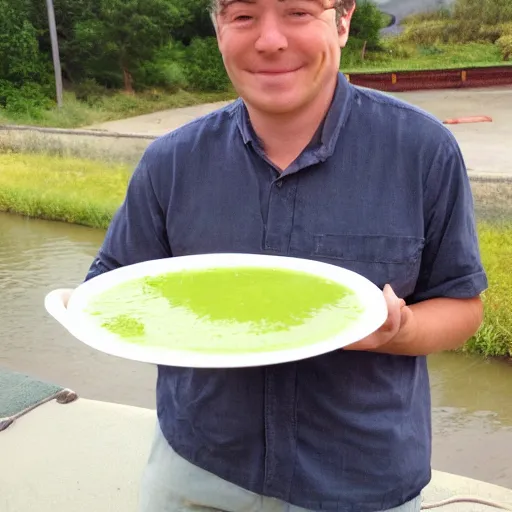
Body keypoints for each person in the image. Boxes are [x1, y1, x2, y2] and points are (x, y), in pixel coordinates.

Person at [83, 0, 488, 510]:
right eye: (243, 15)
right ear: (218, 29)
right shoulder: (170, 161)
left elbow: (461, 307)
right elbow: (109, 286)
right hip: (195, 467)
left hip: (357, 480)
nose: (270, 40)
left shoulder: (423, 151)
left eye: (297, 12)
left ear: (343, 22)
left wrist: (398, 331)